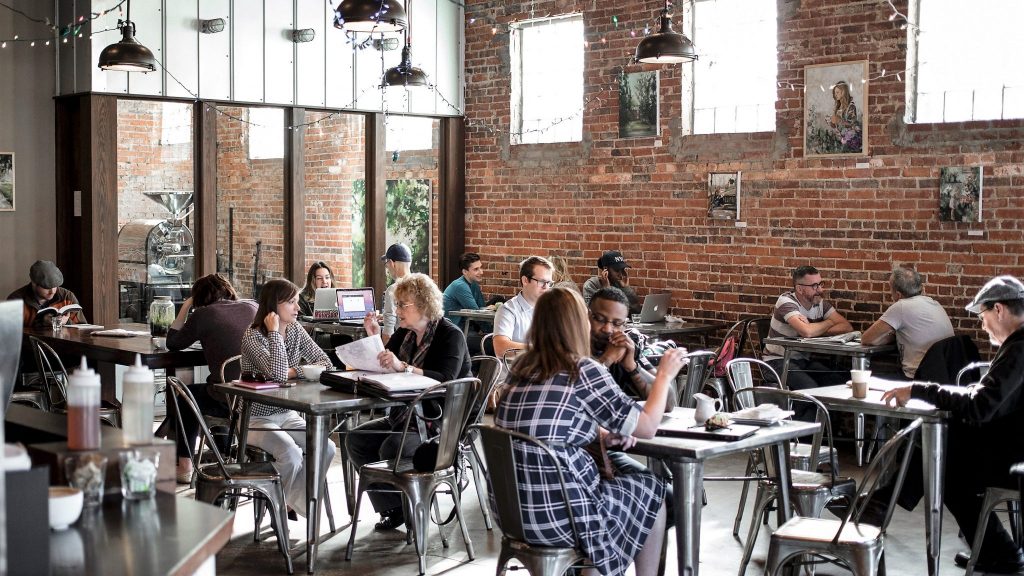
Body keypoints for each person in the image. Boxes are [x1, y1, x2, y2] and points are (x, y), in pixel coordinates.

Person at [494, 287, 686, 576]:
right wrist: (664, 376)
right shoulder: (582, 369)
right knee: (652, 493)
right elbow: (647, 427)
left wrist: (604, 436)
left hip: (513, 513)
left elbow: (552, 428)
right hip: (559, 516)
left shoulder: (521, 368)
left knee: (621, 493)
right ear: (578, 322)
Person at [879, 276, 1024, 573]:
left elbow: (981, 406)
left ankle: (879, 506)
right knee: (939, 446)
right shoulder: (1017, 346)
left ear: (998, 310)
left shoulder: (1019, 349)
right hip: (1013, 443)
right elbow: (986, 398)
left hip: (1015, 455)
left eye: (982, 317)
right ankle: (993, 550)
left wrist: (920, 389)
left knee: (940, 462)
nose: (983, 326)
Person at [347, 273, 471, 531]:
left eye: (403, 305)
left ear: (424, 305)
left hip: (439, 421)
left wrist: (403, 367)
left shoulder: (450, 335)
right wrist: (374, 336)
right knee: (356, 440)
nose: (398, 310)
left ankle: (415, 508)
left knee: (392, 446)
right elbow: (383, 362)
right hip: (407, 414)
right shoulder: (404, 333)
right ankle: (393, 508)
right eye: (398, 304)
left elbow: (444, 379)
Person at [240, 278, 335, 518]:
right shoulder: (253, 336)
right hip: (254, 418)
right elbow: (279, 374)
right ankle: (283, 506)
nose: (298, 308)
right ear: (274, 305)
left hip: (286, 412)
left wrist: (296, 371)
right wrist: (274, 333)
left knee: (326, 447)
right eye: (291, 302)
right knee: (291, 454)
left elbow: (326, 362)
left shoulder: (295, 329)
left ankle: (288, 502)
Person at [166, 274, 257, 483]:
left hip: (229, 399)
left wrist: (186, 306)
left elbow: (173, 343)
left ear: (199, 298)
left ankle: (184, 465)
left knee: (186, 396)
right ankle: (226, 450)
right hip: (257, 396)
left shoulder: (204, 314)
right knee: (217, 387)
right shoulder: (252, 306)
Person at [764, 265, 854, 391]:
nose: (820, 289)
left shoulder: (819, 303)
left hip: (803, 361)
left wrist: (814, 327)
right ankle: (800, 411)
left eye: (820, 284)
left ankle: (823, 411)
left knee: (839, 382)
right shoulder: (786, 301)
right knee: (810, 388)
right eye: (814, 286)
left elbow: (847, 327)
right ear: (800, 289)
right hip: (777, 361)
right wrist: (829, 322)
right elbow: (807, 332)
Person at [861, 266, 954, 379]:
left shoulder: (901, 306)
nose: (890, 295)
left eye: (891, 290)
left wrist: (886, 336)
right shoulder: (935, 303)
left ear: (898, 295)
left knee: (869, 379)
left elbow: (866, 339)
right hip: (945, 375)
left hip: (917, 377)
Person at [588, 287, 662, 402]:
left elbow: (668, 403)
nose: (608, 329)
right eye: (600, 319)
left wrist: (632, 367)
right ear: (587, 315)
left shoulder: (625, 346)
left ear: (624, 325)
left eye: (617, 323)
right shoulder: (572, 344)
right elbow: (572, 391)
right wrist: (607, 359)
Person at [492, 256, 554, 358]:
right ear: (525, 280)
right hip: (516, 371)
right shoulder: (508, 310)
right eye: (542, 282)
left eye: (549, 283)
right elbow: (500, 348)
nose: (546, 287)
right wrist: (541, 349)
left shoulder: (552, 308)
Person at [7, 260, 87, 329]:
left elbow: (83, 329)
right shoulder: (15, 300)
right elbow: (9, 334)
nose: (52, 291)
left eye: (55, 286)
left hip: (64, 345)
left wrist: (66, 322)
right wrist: (41, 323)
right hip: (30, 346)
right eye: (47, 287)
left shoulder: (67, 296)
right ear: (34, 283)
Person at [582, 250, 641, 315]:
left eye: (622, 270)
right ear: (605, 269)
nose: (621, 274)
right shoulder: (591, 285)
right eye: (617, 270)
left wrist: (626, 288)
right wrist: (606, 291)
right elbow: (593, 314)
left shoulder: (619, 283)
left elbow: (636, 311)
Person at [442, 252, 489, 329]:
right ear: (465, 272)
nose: (481, 272)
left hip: (466, 326)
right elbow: (477, 314)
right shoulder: (460, 286)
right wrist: (491, 333)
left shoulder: (474, 284)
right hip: (454, 331)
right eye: (476, 269)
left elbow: (481, 308)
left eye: (481, 267)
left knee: (498, 300)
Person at [379, 243, 412, 345]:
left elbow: (388, 334)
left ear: (392, 263)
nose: (387, 267)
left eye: (387, 263)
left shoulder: (393, 290)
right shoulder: (421, 286)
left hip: (403, 347)